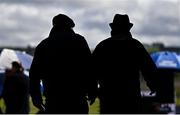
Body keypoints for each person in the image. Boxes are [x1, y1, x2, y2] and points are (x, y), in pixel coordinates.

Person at [29, 14, 96, 114]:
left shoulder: (44, 44)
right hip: (77, 99)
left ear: (54, 26)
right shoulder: (79, 41)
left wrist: (36, 98)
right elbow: (90, 68)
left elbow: (34, 75)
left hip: (53, 101)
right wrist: (92, 91)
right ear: (70, 26)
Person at [92, 14, 157, 114]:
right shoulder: (136, 45)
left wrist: (92, 91)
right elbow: (148, 68)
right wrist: (154, 85)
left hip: (108, 97)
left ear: (113, 29)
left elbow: (91, 70)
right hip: (131, 96)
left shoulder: (102, 46)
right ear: (128, 29)